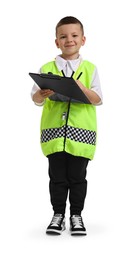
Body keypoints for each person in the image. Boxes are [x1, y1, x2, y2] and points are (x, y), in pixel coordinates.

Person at [31, 16, 103, 236]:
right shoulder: (47, 68)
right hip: (54, 135)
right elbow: (35, 99)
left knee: (78, 178)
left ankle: (77, 216)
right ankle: (58, 215)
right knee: (57, 178)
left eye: (74, 36)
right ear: (57, 42)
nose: (69, 40)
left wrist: (81, 88)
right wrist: (40, 95)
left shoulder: (90, 68)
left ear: (83, 39)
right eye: (63, 36)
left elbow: (98, 99)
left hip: (81, 137)